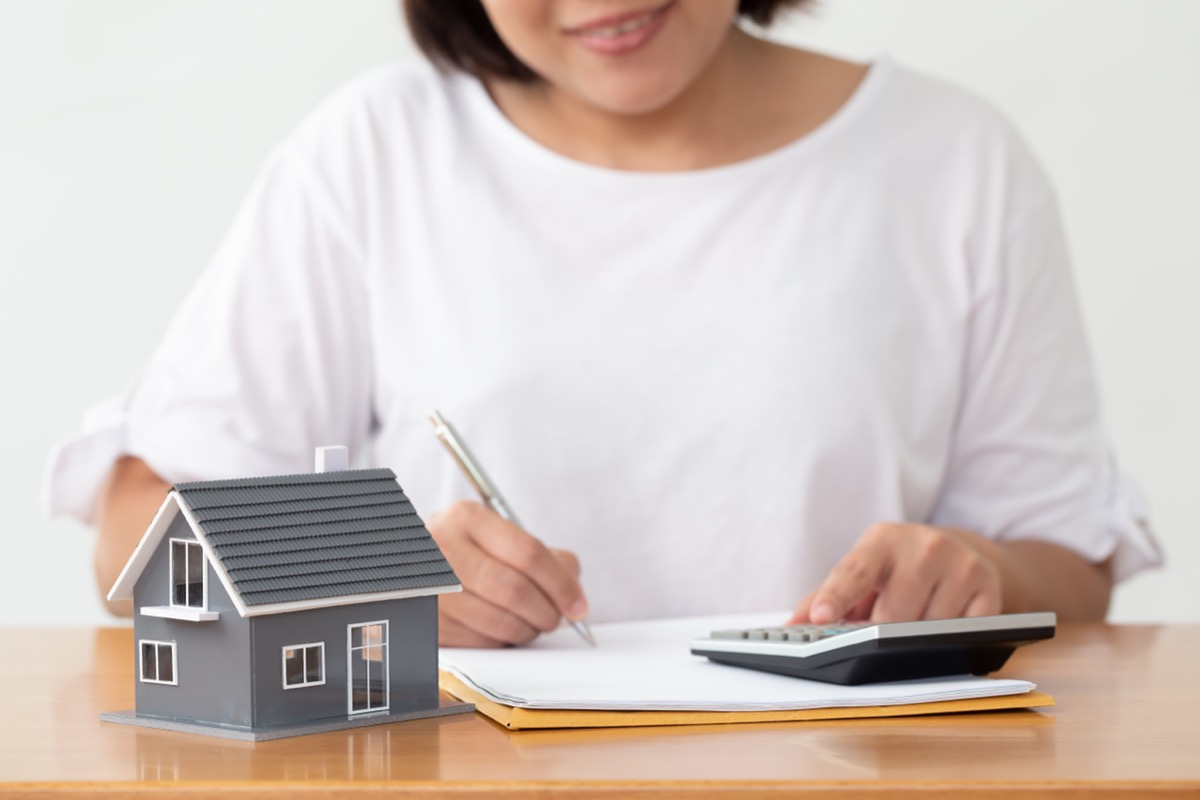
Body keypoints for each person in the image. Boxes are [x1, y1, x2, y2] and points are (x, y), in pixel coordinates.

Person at [45, 0, 1160, 647]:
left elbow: (1070, 564)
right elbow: (132, 541)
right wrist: (376, 571)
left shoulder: (956, 161)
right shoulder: (372, 156)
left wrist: (977, 572)